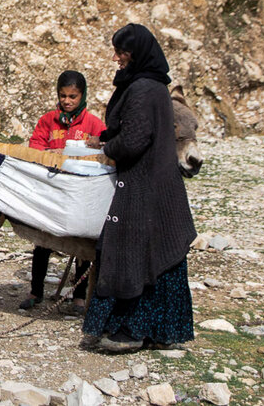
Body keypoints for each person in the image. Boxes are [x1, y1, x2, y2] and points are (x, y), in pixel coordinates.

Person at [83, 24, 196, 353]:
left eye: (122, 52)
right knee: (157, 258)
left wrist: (108, 151)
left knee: (131, 255)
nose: (116, 58)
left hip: (143, 185)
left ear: (137, 53)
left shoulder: (143, 88)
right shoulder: (153, 84)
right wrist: (106, 138)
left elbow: (133, 140)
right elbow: (132, 127)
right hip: (158, 185)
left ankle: (131, 330)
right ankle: (162, 331)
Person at [20, 70, 106, 313]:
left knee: (81, 243)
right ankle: (35, 291)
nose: (67, 101)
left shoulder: (94, 124)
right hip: (51, 190)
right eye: (63, 96)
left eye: (73, 96)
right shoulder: (48, 120)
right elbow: (35, 148)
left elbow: (104, 151)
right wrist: (51, 155)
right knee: (42, 241)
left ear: (83, 96)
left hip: (80, 192)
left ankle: (79, 296)